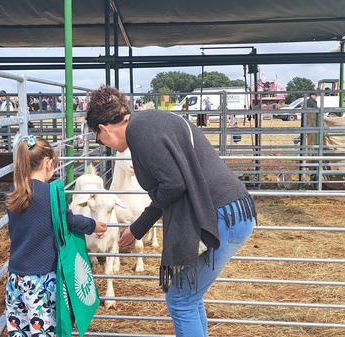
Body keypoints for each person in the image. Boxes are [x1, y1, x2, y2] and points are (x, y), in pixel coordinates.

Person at [86, 86, 256, 337]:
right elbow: (171, 185)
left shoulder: (140, 131)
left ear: (104, 128)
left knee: (181, 300)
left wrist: (138, 227)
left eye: (101, 140)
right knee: (188, 297)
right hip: (228, 210)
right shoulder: (149, 123)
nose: (106, 145)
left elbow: (173, 184)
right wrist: (137, 228)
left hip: (219, 213)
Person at [6, 136, 108, 336]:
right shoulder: (52, 193)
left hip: (16, 276)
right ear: (47, 163)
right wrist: (93, 225)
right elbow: (68, 221)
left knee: (19, 330)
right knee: (44, 330)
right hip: (42, 277)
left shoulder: (14, 192)